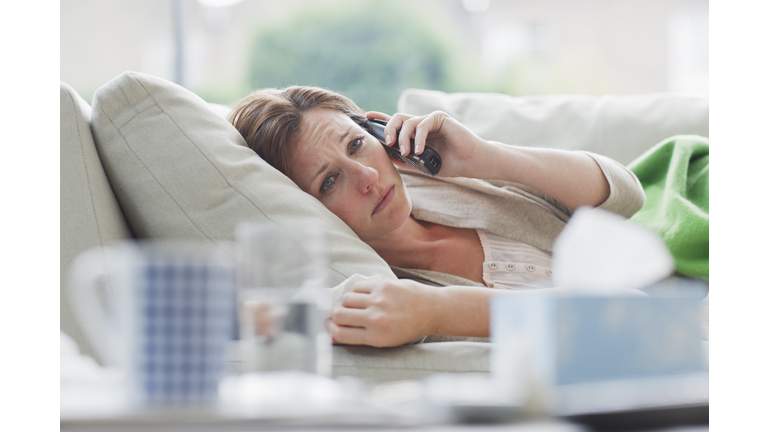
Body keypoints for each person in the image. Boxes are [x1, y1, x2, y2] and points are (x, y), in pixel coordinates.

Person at [228, 86, 646, 348]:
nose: (368, 177)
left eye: (356, 145)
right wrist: (437, 309)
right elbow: (618, 311)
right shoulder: (375, 286)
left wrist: (487, 157)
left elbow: (625, 195)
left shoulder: (444, 180)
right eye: (330, 182)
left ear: (378, 132)